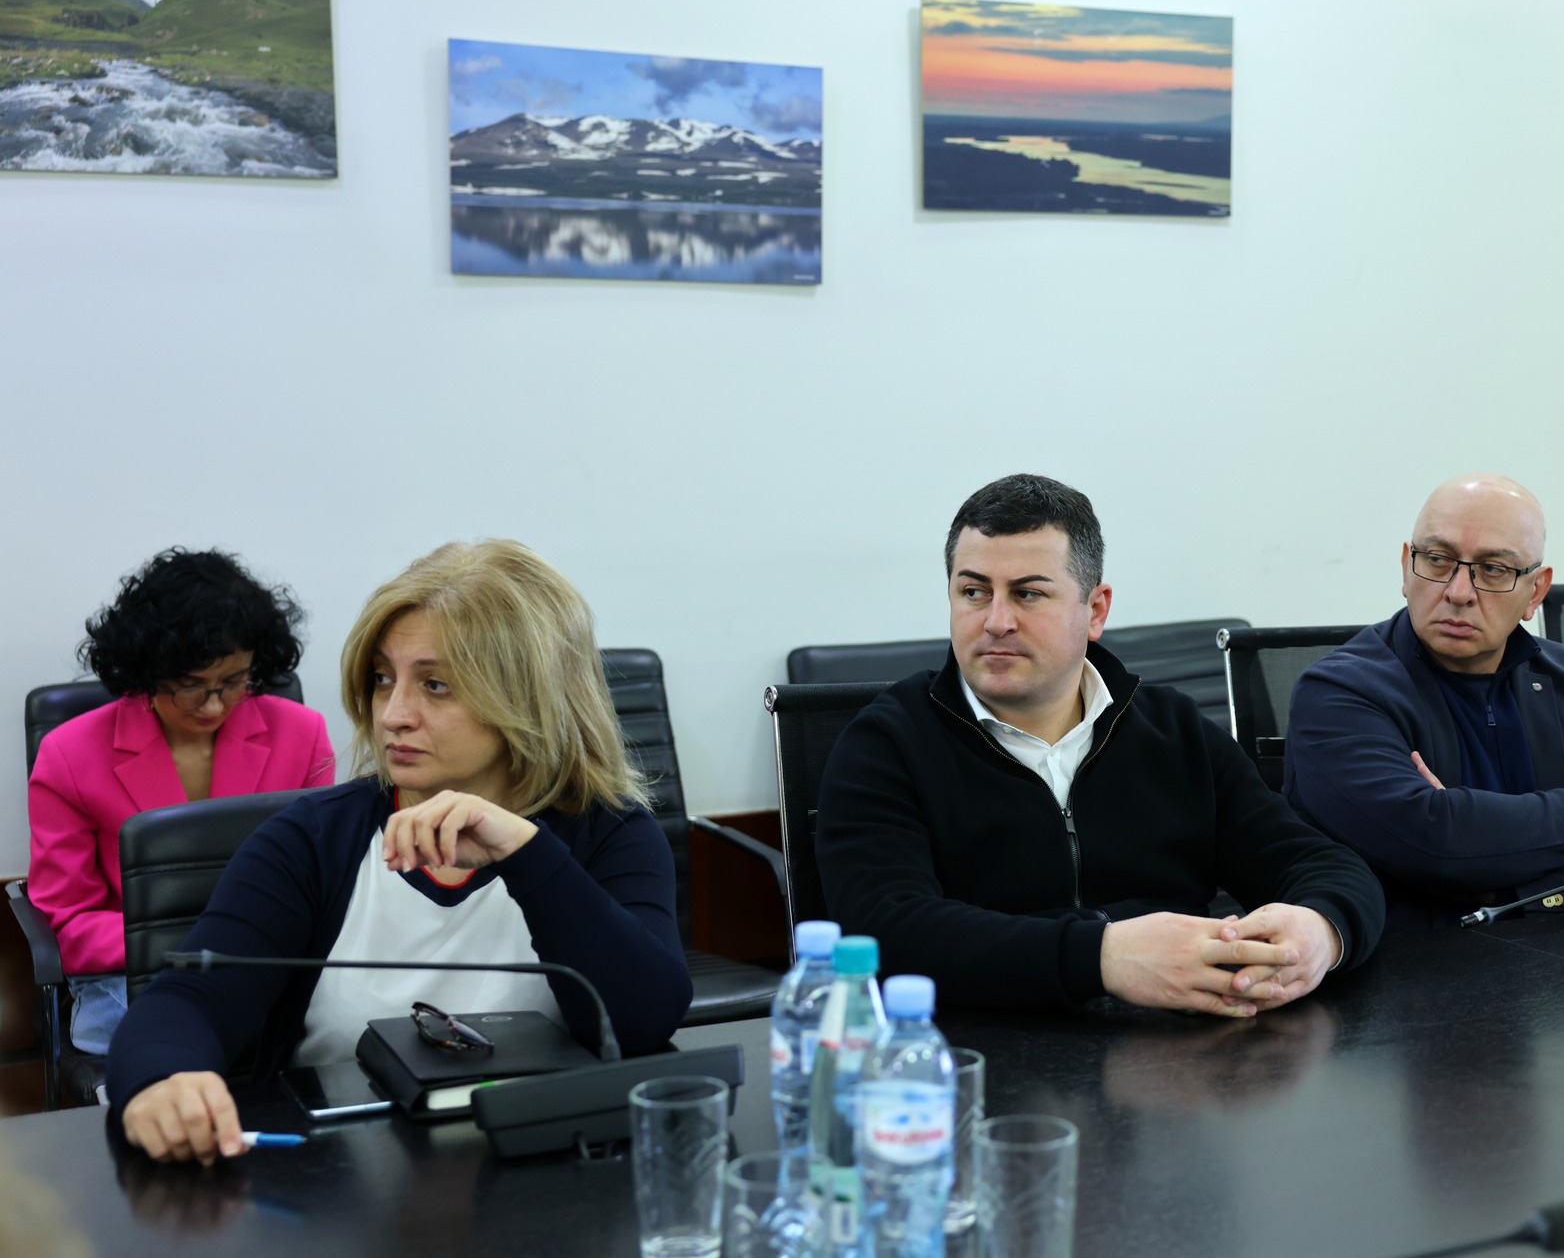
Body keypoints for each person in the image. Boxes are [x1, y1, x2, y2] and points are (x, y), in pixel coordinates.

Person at [108, 540, 692, 1163]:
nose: (392, 715)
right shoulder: (311, 840)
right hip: (338, 1178)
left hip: (549, 1173)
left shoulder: (611, 833)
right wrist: (162, 1079)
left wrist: (529, 856)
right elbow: (189, 1000)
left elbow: (643, 1021)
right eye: (384, 678)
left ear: (529, 698)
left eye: (435, 685)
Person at [816, 474, 1385, 1019]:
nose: (995, 621)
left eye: (1028, 594)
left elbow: (1321, 864)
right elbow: (884, 931)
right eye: (973, 592)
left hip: (1183, 1051)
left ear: (1095, 611)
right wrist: (1103, 957)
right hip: (977, 1053)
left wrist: (1320, 931)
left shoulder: (1174, 730)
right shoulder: (887, 742)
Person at [1285, 473, 1564, 929]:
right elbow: (1438, 844)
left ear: (1535, 592)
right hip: (1416, 962)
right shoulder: (1340, 691)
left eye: (1494, 569)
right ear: (1406, 567)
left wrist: (1507, 897)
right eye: (1437, 560)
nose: (1459, 592)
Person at [27, 549, 335, 1056]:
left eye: (233, 682)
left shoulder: (302, 733)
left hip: (267, 959)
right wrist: (193, 946)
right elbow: (68, 918)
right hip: (133, 969)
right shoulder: (69, 753)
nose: (214, 705)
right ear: (147, 670)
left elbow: (324, 879)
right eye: (190, 686)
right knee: (167, 1042)